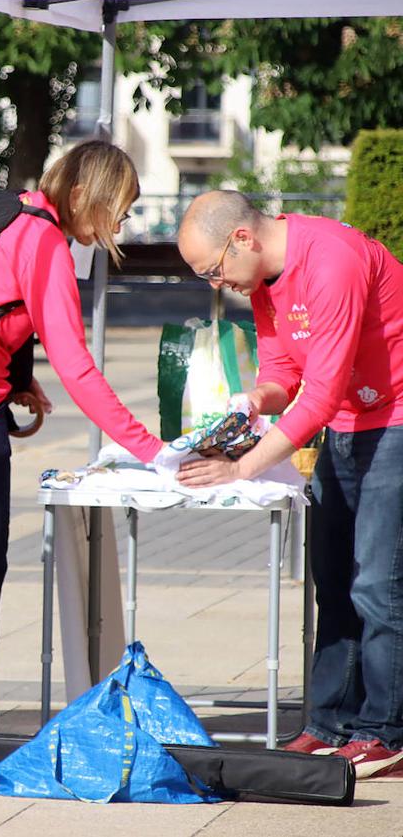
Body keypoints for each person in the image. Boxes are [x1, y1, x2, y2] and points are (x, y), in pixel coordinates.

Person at [0, 140, 164, 783]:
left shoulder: (13, 213)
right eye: (117, 210)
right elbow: (80, 367)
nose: (119, 225)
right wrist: (148, 449)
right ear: (85, 197)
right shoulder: (44, 243)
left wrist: (15, 376)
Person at [175, 190, 403, 780]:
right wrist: (253, 402)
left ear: (242, 239)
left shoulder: (331, 259)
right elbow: (283, 373)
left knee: (379, 582)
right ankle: (329, 723)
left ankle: (386, 730)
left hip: (396, 417)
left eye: (213, 269)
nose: (217, 283)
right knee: (333, 577)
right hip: (351, 422)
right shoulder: (265, 281)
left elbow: (321, 394)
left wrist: (242, 468)